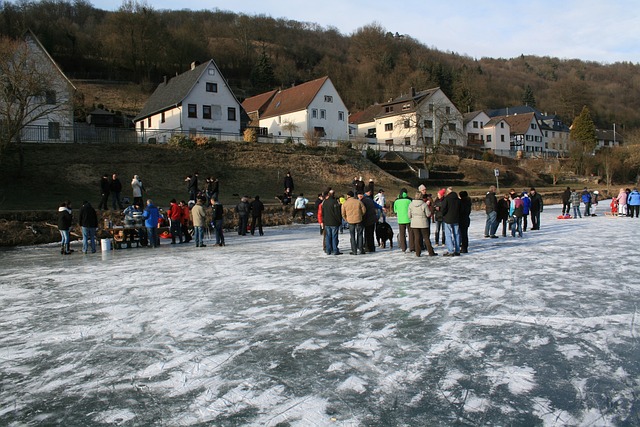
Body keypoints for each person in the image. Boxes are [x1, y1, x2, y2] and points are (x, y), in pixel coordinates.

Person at [408, 191, 436, 257]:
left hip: (414, 223)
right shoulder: (424, 204)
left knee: (417, 238)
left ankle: (418, 253)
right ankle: (431, 252)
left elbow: (409, 215)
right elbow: (428, 214)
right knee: (426, 238)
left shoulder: (411, 204)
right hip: (423, 223)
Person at [341, 191, 366, 255]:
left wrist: (346, 219)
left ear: (348, 196)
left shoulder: (345, 203)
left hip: (350, 221)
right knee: (360, 235)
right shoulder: (358, 202)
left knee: (352, 236)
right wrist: (360, 215)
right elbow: (364, 210)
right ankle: (361, 249)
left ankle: (354, 251)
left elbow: (343, 213)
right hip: (358, 220)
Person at [441, 187, 461, 256]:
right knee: (457, 234)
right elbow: (460, 209)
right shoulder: (458, 200)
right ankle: (457, 250)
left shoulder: (447, 199)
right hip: (456, 218)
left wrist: (443, 214)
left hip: (447, 219)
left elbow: (443, 209)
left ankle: (451, 250)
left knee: (448, 234)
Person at [322, 189, 343, 255]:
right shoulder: (334, 202)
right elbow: (337, 213)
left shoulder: (325, 202)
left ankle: (328, 250)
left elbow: (323, 212)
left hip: (327, 222)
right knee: (334, 236)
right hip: (334, 222)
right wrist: (339, 221)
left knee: (328, 236)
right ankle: (335, 250)